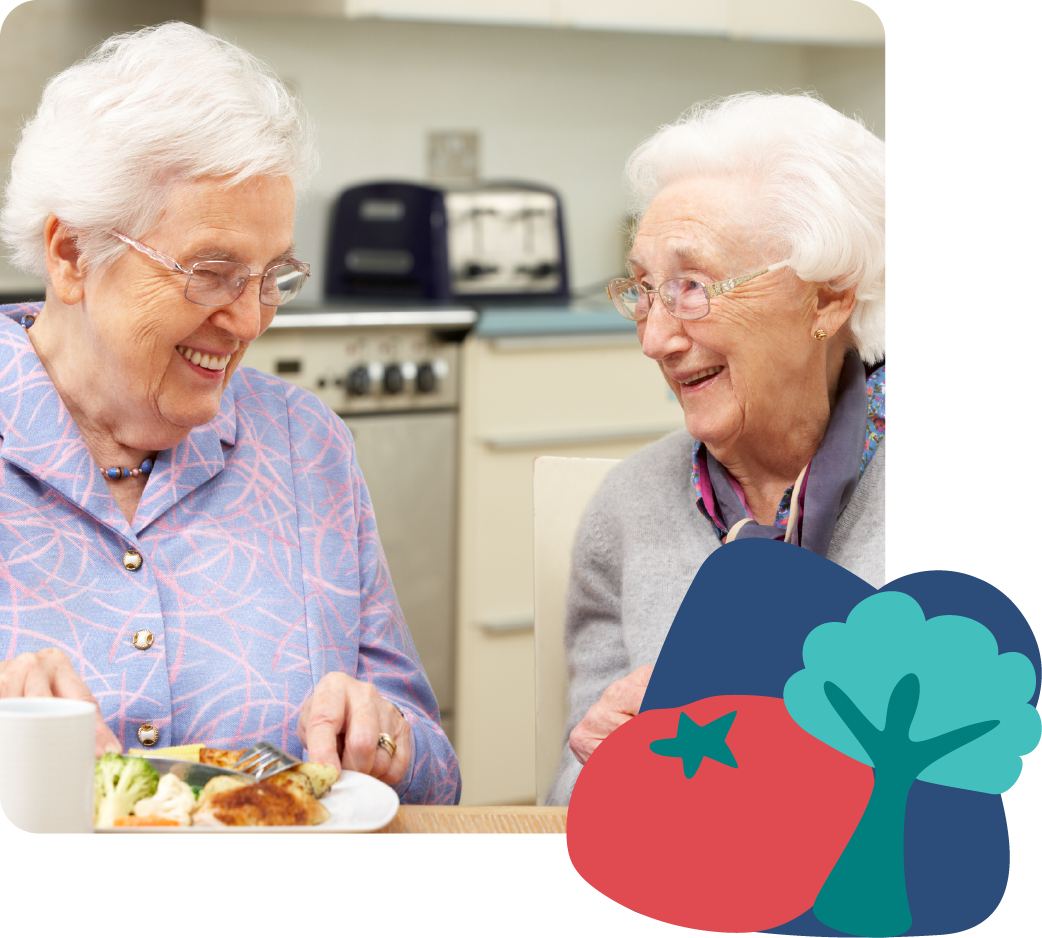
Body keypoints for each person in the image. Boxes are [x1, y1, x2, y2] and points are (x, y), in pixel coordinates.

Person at [0, 23, 460, 804]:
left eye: (271, 275)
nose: (248, 321)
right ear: (73, 255)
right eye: (211, 273)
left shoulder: (304, 446)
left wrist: (384, 735)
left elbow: (434, 774)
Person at [547, 93, 885, 805]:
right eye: (643, 291)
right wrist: (608, 764)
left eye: (693, 288)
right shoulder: (629, 508)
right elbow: (570, 803)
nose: (654, 339)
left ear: (827, 299)